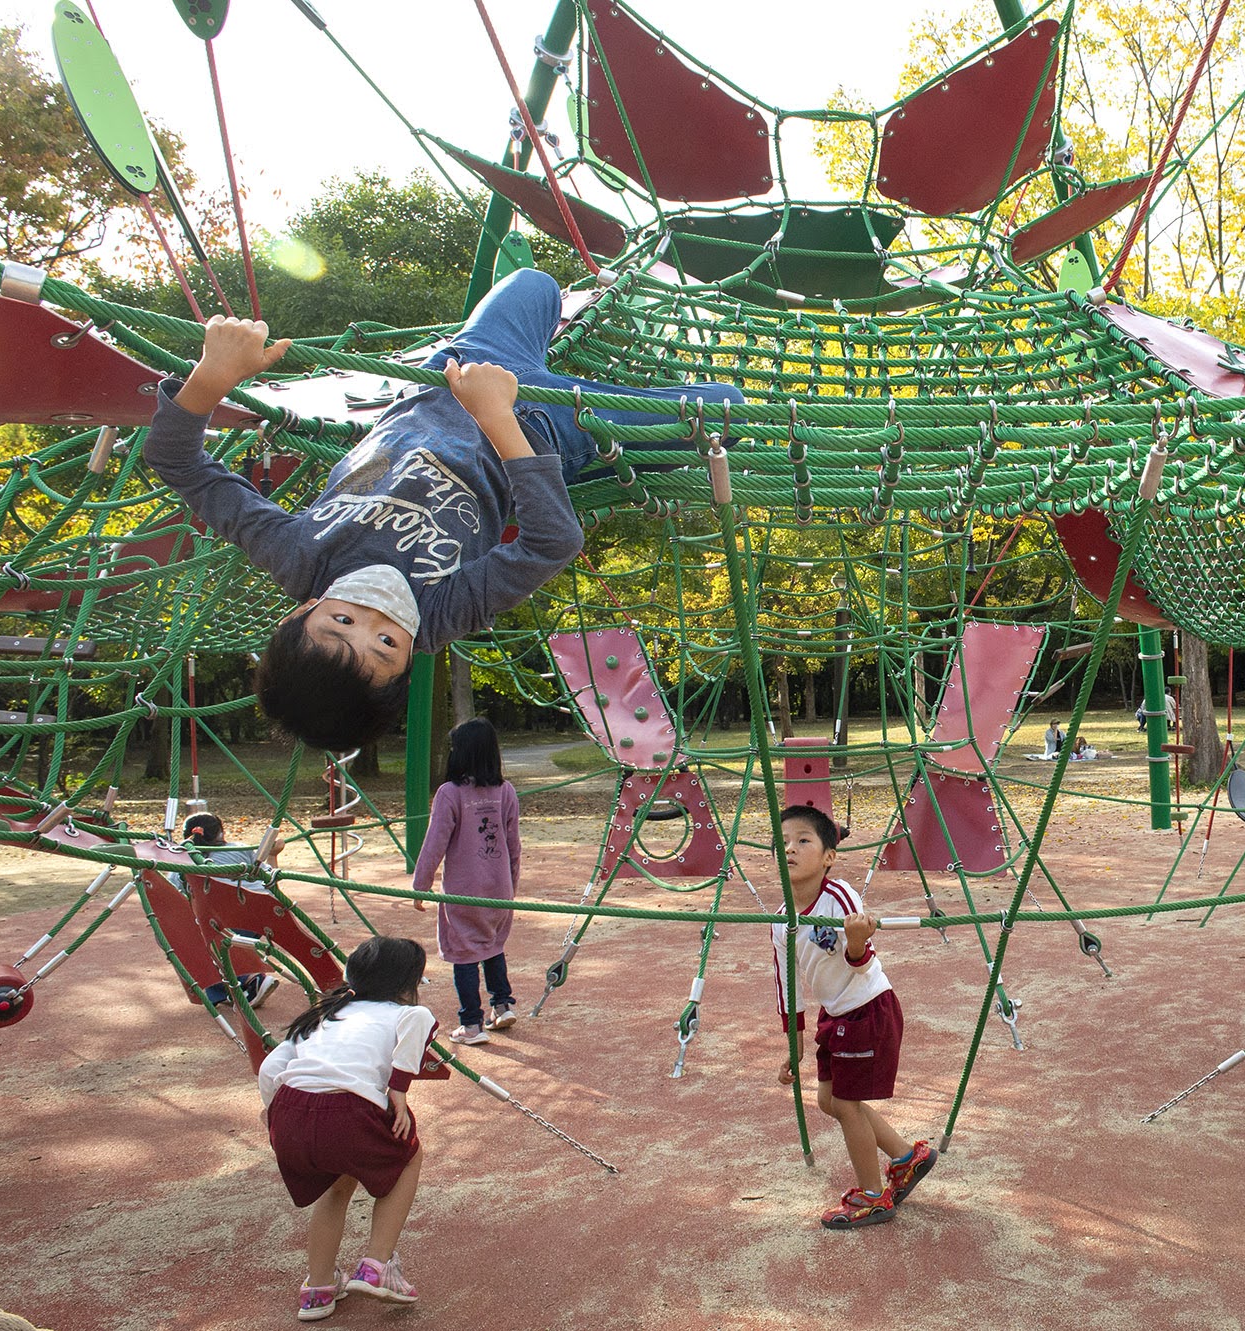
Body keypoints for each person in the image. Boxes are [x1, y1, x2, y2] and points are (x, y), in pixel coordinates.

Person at [143, 268, 746, 753]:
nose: (374, 616)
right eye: (385, 645)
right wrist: (499, 418)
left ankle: (567, 354)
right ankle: (593, 402)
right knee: (726, 411)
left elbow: (181, 465)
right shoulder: (440, 612)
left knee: (534, 283)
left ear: (301, 614)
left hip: (452, 373)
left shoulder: (299, 555)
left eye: (343, 625)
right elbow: (550, 542)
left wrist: (211, 376)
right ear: (410, 660)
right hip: (546, 428)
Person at [771, 805, 934, 1229]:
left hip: (866, 1008)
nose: (790, 848)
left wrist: (858, 941)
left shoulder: (839, 895)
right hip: (836, 1012)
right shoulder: (779, 921)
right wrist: (794, 1042)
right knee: (830, 1101)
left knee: (845, 1103)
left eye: (803, 840)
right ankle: (906, 1157)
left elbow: (861, 963)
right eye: (783, 841)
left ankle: (872, 1196)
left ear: (828, 856)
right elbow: (787, 984)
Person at [258, 935, 434, 1318]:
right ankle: (376, 1266)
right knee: (408, 1159)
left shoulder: (326, 1012)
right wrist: (399, 1089)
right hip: (348, 1112)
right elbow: (421, 1019)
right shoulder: (403, 1012)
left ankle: (318, 1289)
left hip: (290, 1111)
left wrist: (271, 1110)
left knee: (336, 1185)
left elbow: (272, 1067)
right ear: (407, 986)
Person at [410, 718, 520, 1047]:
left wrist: (421, 884)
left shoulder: (450, 793)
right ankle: (502, 1005)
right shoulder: (506, 790)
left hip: (463, 892)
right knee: (492, 945)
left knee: (464, 953)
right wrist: (511, 886)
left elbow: (435, 843)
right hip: (499, 890)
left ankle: (472, 1024)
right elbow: (514, 845)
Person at [173, 812, 281, 1011]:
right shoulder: (240, 849)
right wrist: (274, 855)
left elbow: (175, 901)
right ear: (221, 833)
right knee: (218, 932)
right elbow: (270, 879)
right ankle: (233, 990)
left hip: (225, 923)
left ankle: (250, 979)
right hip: (263, 912)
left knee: (192, 936)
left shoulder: (179, 862)